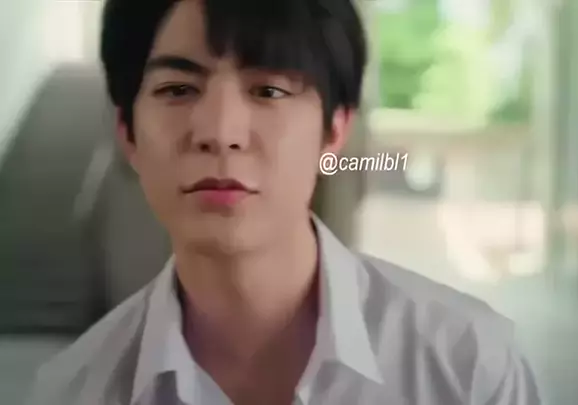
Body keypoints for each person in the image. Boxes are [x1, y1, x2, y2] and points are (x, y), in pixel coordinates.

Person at [25, 0, 541, 404]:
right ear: (127, 133)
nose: (220, 132)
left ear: (334, 129)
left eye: (268, 91)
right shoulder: (72, 392)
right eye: (178, 89)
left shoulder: (467, 369)